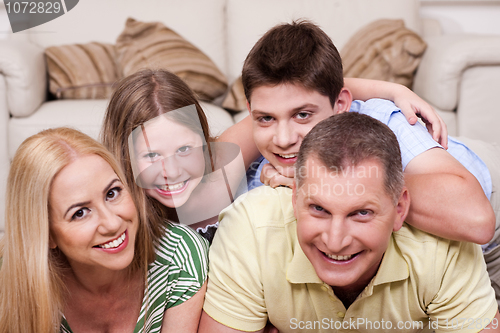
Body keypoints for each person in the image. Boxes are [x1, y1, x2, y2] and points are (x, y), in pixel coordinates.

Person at [199, 112, 500, 333]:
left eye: (361, 213)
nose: (335, 240)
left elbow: (478, 222)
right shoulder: (250, 227)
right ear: (293, 198)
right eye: (319, 209)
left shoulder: (443, 245)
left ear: (400, 210)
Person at [220, 19, 497, 245]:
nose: (283, 139)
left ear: (341, 105)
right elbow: (196, 211)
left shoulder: (381, 120)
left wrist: (321, 183)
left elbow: (477, 221)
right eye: (265, 118)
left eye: (303, 114)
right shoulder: (261, 171)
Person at [101, 68, 445, 243]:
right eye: (150, 156)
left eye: (185, 149)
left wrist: (390, 89)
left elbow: (298, 91)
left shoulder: (217, 170)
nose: (171, 170)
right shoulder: (115, 213)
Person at [0, 127, 209, 333]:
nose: (112, 224)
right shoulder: (10, 277)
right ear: (46, 234)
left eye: (112, 193)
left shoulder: (179, 256)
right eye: (80, 213)